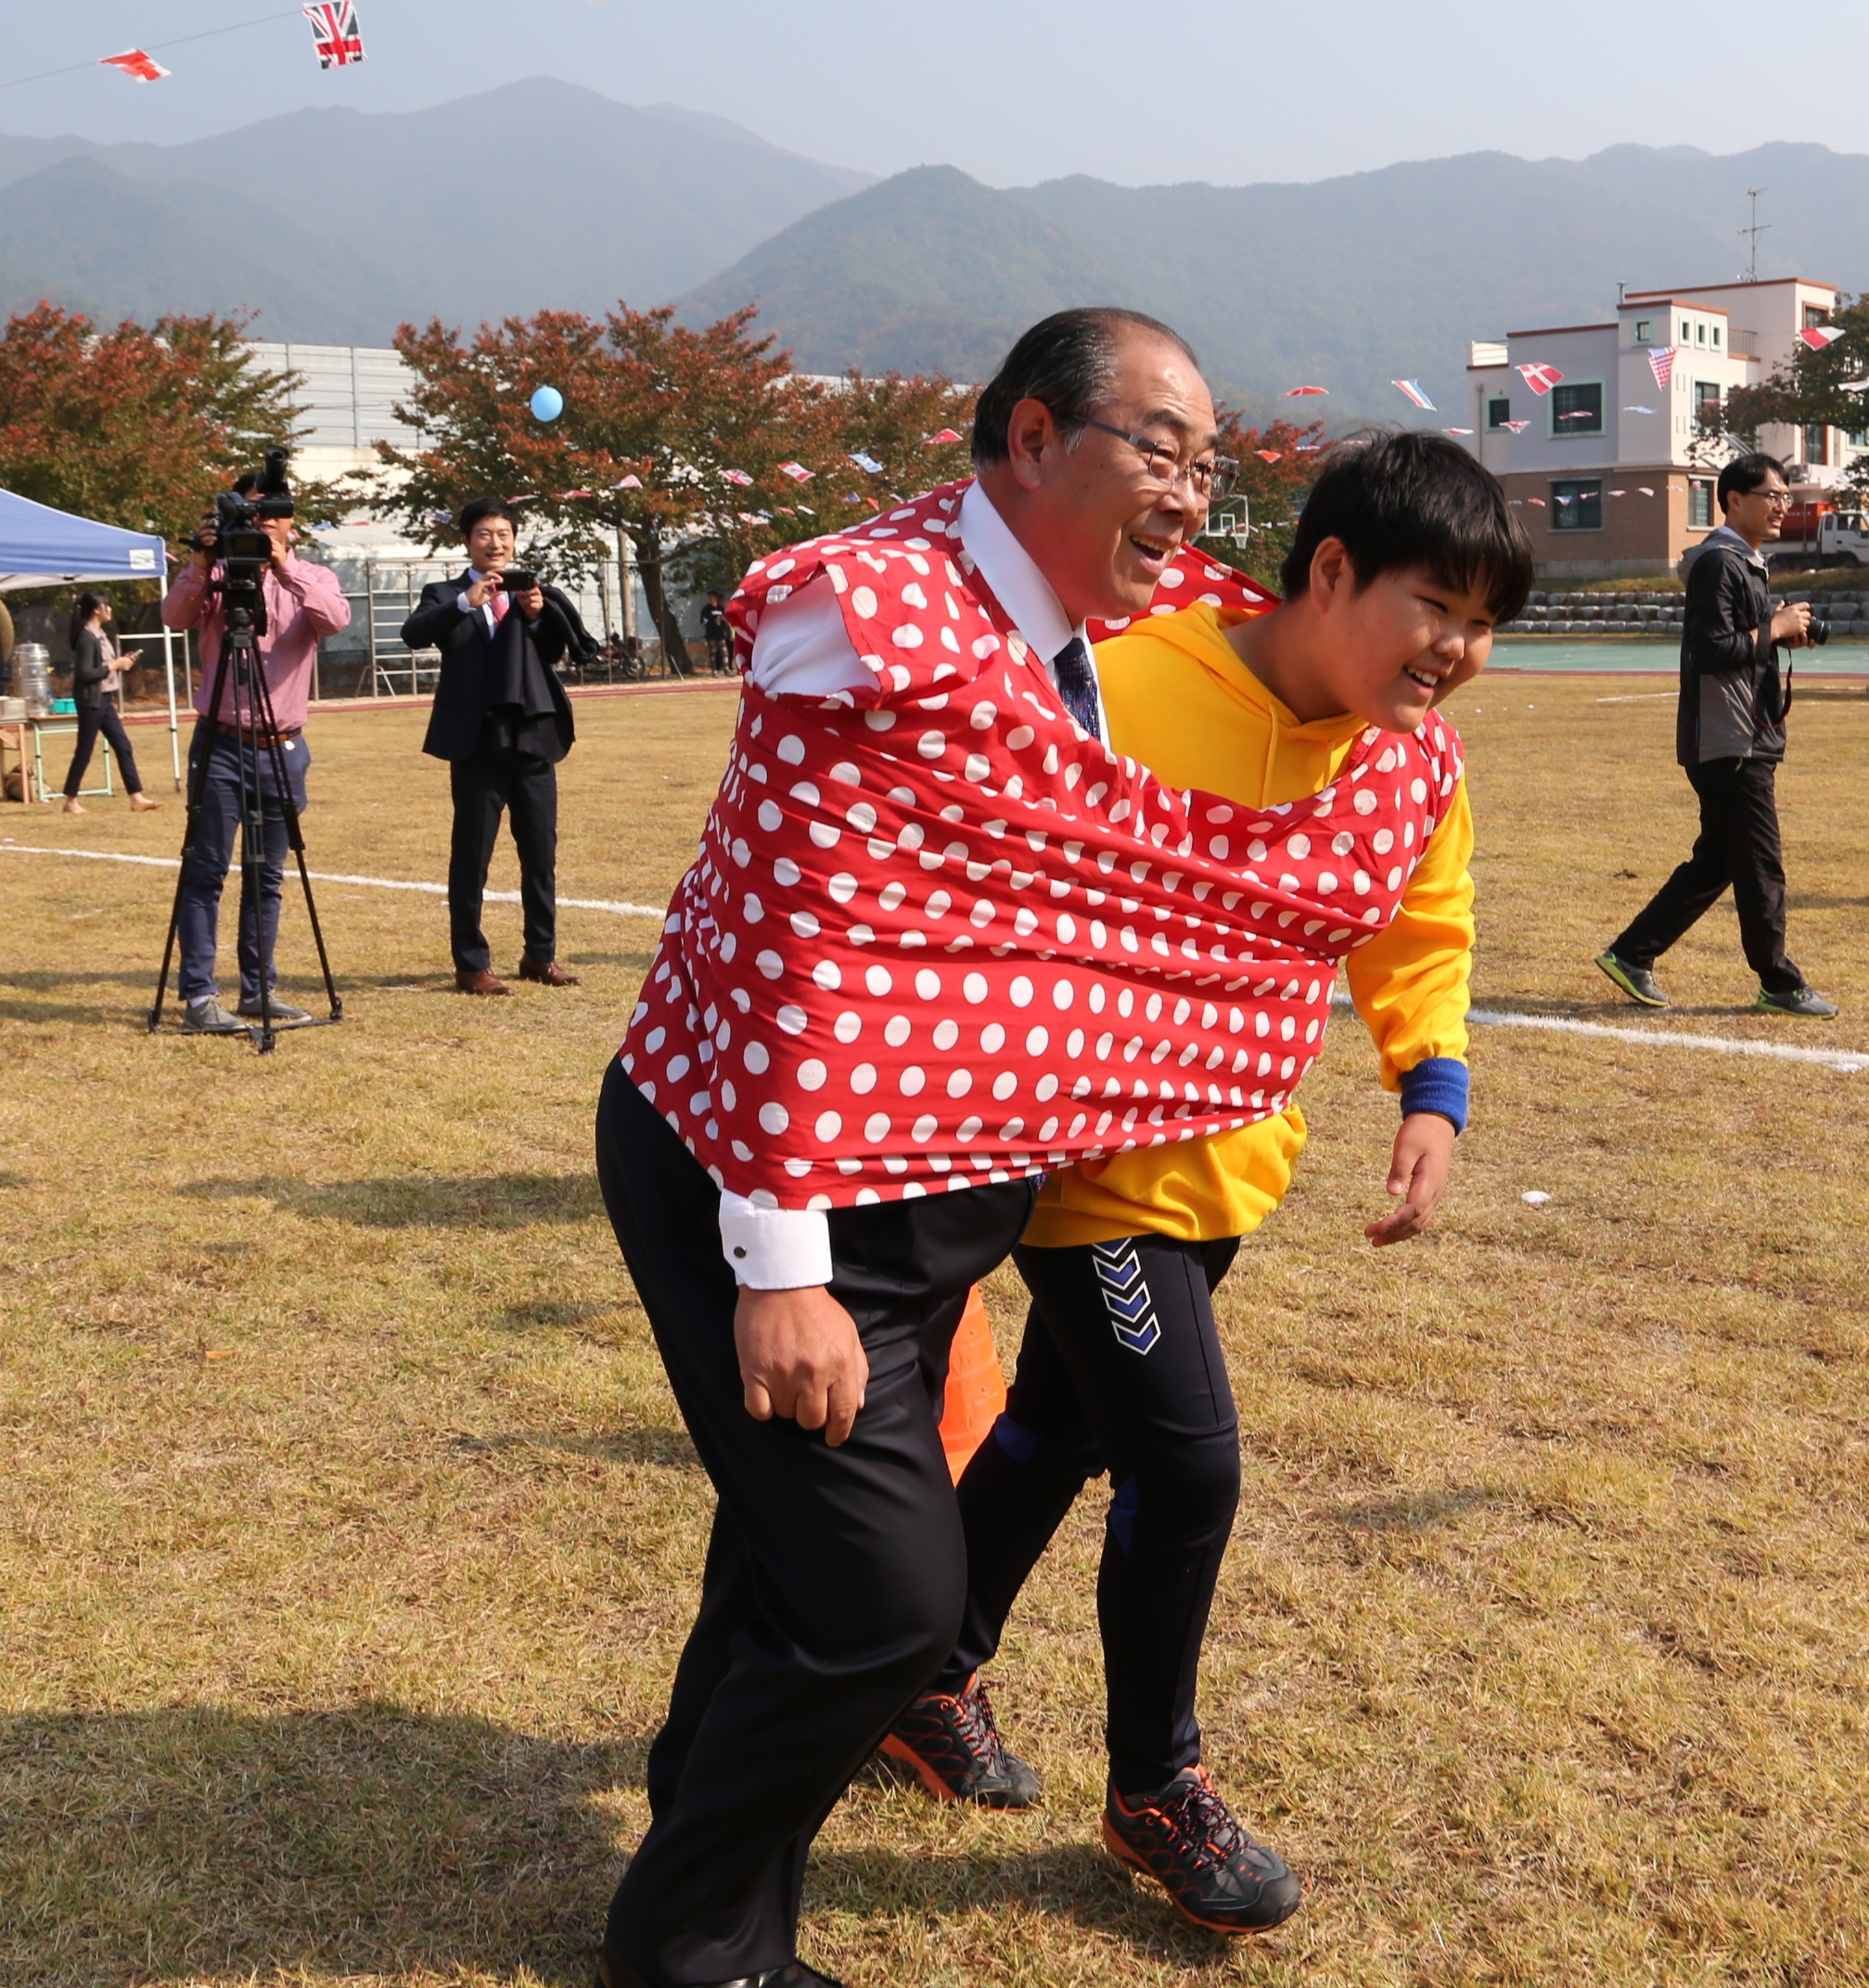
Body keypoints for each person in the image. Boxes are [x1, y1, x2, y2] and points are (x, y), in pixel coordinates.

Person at [591, 307, 1461, 1988]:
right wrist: (780, 1268)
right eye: (1158, 448)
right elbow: (796, 927)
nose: (1191, 497)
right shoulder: (878, 619)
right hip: (776, 1185)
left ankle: (703, 1861)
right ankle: (690, 1943)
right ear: (1028, 439)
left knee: (799, 1563)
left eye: (1210, 463)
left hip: (931, 1208)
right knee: (881, 1603)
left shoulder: (1093, 626)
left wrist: (1425, 1072)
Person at [871, 434, 1529, 1936]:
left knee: (1054, 1424)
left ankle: (920, 1677)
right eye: (1437, 607)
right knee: (1187, 1464)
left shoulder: (1407, 754)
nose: (1459, 652)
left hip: (1232, 1155)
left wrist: (1430, 1087)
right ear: (1332, 571)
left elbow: (1422, 916)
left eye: (1484, 623)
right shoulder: (1126, 685)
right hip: (1088, 1170)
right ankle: (1155, 1784)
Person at [1595, 454, 1836, 1018]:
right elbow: (1708, 651)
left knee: (1719, 861)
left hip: (1740, 735)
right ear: (1733, 499)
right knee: (1760, 863)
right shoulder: (1720, 564)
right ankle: (1778, 981)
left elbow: (1735, 643)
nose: (1783, 506)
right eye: (1772, 496)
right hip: (1729, 740)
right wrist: (1772, 629)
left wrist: (1776, 636)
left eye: (1785, 497)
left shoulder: (1745, 563)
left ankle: (1632, 954)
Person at [159, 476, 350, 1032]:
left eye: (275, 512)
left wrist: (283, 567)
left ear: (291, 522)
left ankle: (258, 989)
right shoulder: (215, 574)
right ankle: (198, 996)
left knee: (266, 874)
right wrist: (201, 563)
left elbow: (336, 619)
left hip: (283, 746)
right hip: (220, 741)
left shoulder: (311, 576)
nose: (263, 521)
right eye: (252, 512)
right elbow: (173, 616)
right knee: (206, 869)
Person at [403, 499, 588, 995]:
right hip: (476, 743)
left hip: (531, 740)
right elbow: (413, 634)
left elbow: (552, 654)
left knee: (541, 853)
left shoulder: (533, 592)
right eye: (485, 533)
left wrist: (538, 616)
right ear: (467, 540)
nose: (496, 542)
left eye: (504, 533)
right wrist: (466, 602)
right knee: (471, 856)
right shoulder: (444, 593)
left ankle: (540, 955)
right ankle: (471, 963)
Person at [57, 593, 157, 814]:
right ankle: (70, 801)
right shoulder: (87, 638)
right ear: (96, 610)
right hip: (91, 702)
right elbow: (85, 674)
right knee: (84, 751)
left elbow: (104, 664)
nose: (110, 609)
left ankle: (136, 797)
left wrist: (122, 662)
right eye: (106, 605)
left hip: (105, 699)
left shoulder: (100, 634)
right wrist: (113, 665)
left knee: (123, 746)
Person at [699, 590, 732, 675]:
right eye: (710, 597)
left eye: (713, 597)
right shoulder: (706, 609)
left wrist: (723, 620)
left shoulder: (721, 609)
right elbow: (703, 622)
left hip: (721, 634)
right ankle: (714, 670)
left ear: (716, 598)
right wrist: (713, 621)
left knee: (724, 652)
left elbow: (726, 620)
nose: (711, 599)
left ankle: (726, 669)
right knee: (713, 652)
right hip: (711, 634)